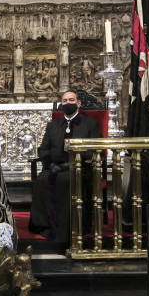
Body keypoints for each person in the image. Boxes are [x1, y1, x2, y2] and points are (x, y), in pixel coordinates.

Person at [28, 91, 102, 242]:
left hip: (78, 168)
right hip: (54, 167)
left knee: (66, 181)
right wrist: (50, 164)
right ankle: (44, 225)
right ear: (61, 104)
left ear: (78, 103)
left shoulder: (90, 125)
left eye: (71, 100)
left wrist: (72, 163)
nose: (68, 103)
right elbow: (43, 149)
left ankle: (66, 227)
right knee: (42, 181)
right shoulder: (52, 126)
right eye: (65, 101)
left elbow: (94, 148)